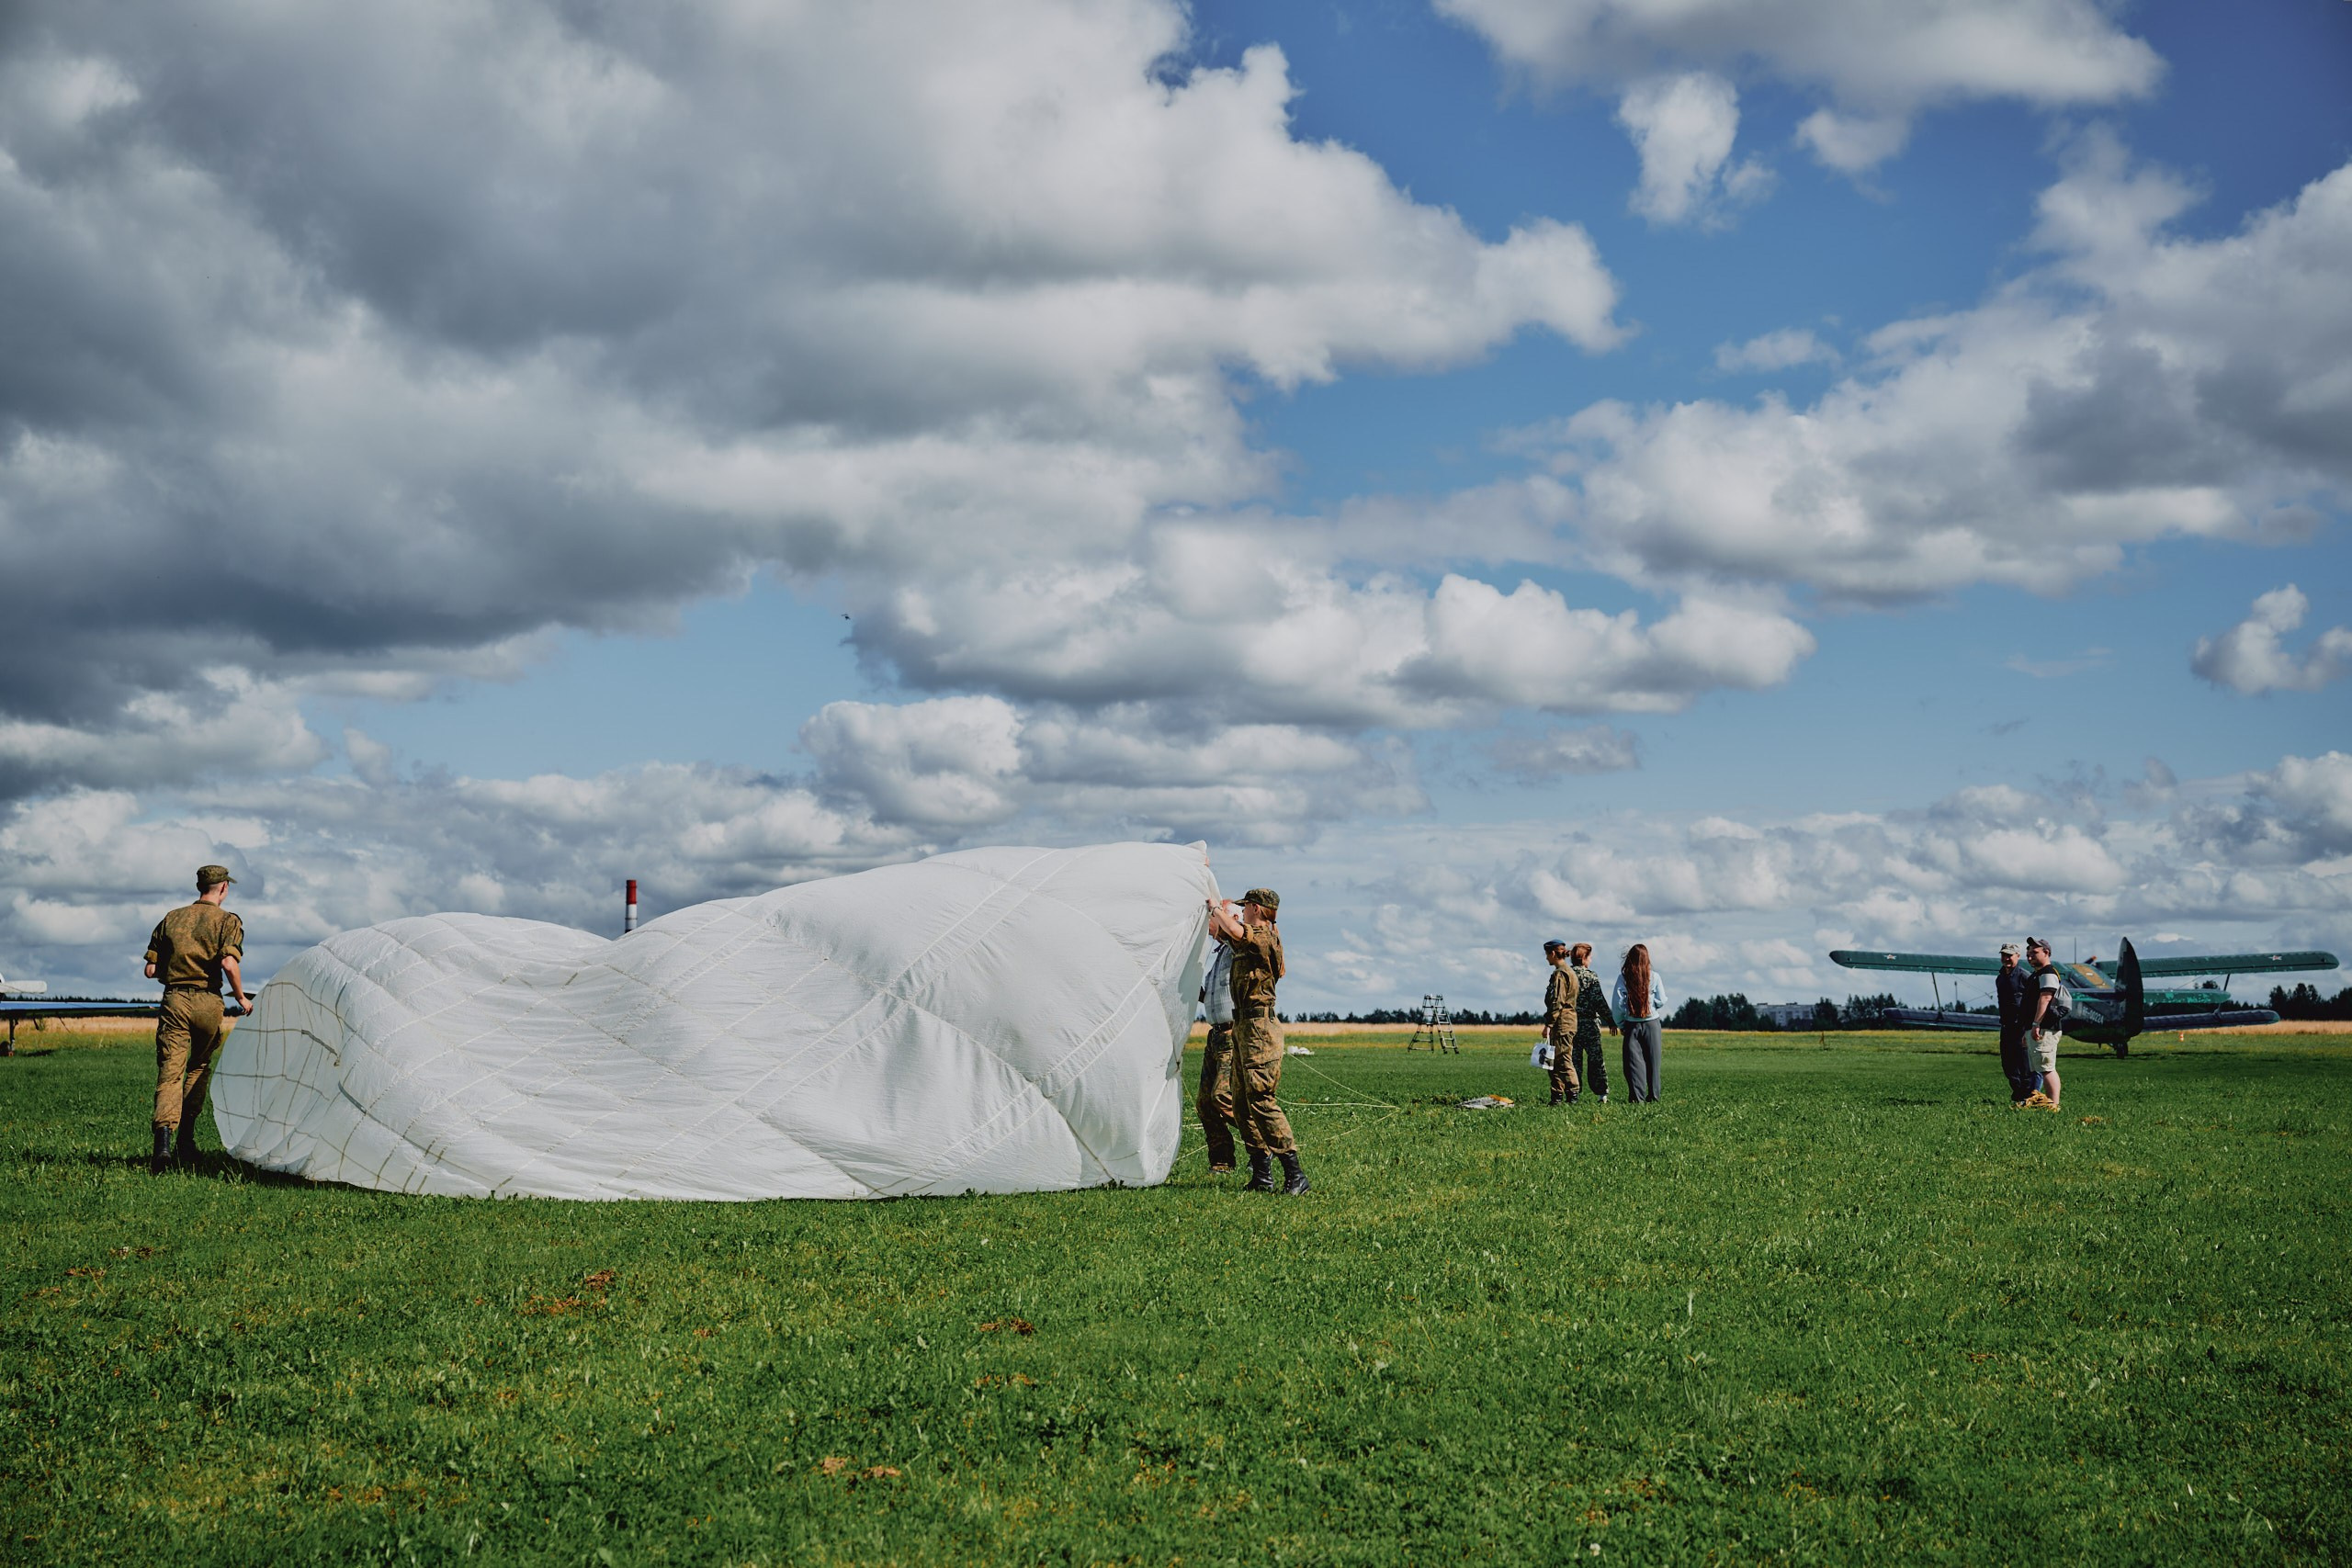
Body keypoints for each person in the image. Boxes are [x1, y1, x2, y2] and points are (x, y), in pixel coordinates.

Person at [142, 865, 252, 1173]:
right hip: (208, 1000)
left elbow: (150, 971)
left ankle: (162, 1143)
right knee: (198, 1066)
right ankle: (187, 1142)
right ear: (223, 888)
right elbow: (229, 963)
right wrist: (242, 998)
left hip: (175, 999)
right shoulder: (228, 921)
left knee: (170, 1072)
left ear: (200, 887)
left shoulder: (171, 918)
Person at [1205, 888, 1306, 1195]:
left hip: (1260, 1029)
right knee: (1240, 1102)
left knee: (1261, 1100)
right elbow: (1228, 935)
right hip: (1245, 1028)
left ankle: (1295, 1174)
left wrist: (1215, 907)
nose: (1243, 912)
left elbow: (1235, 930)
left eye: (1246, 907)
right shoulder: (1248, 943)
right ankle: (1261, 1175)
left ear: (1256, 909)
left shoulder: (1264, 937)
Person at [1195, 921, 1241, 1173]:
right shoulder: (1219, 955)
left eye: (1213, 922)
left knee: (1221, 1096)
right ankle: (1221, 1161)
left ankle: (1264, 1141)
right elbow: (1214, 994)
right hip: (1215, 1036)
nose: (1209, 928)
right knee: (1205, 1103)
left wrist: (1219, 913)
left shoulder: (1238, 950)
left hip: (1232, 1034)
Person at [1612, 943, 1666, 1103]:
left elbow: (1617, 1004)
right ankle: (1654, 1096)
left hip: (1631, 1024)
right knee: (1653, 1062)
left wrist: (1621, 1023)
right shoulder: (1654, 976)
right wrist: (1651, 1007)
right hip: (1652, 1023)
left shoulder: (1623, 978)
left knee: (1633, 1064)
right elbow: (1661, 1000)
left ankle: (1637, 1099)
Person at [1994, 941, 2040, 1106]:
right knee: (2008, 1064)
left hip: (2021, 1026)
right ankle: (2019, 1093)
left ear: (2018, 957)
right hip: (2006, 1026)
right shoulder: (2000, 978)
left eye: (2009, 955)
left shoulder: (2024, 976)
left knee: (2023, 1064)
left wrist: (2032, 1024)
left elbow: (2035, 1000)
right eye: (2003, 955)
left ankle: (2026, 1096)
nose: (2006, 958)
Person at [2021, 937, 2064, 1111]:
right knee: (2040, 1066)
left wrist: (2036, 1024)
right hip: (2036, 1028)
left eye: (2034, 952)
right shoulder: (2037, 974)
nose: (2030, 956)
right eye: (2028, 953)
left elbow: (2046, 998)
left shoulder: (2048, 973)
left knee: (2047, 1067)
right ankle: (2044, 1102)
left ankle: (2054, 1105)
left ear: (2046, 953)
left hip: (2044, 1028)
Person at [1568, 942, 1613, 1102]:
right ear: (1584, 958)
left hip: (1570, 1025)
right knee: (1596, 1060)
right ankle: (1602, 1094)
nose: (1591, 960)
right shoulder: (1590, 976)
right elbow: (1598, 1001)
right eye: (1590, 957)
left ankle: (1573, 1093)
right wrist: (1611, 1020)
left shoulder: (1566, 974)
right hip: (1589, 1025)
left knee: (1573, 1061)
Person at [1540, 940, 1582, 1105]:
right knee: (1555, 1060)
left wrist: (1548, 1025)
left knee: (1563, 1059)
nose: (1546, 959)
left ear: (1552, 954)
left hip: (1562, 1022)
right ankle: (1556, 1096)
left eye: (1547, 955)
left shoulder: (1560, 974)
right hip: (1566, 1020)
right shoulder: (1569, 972)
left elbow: (1557, 1001)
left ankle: (1573, 1094)